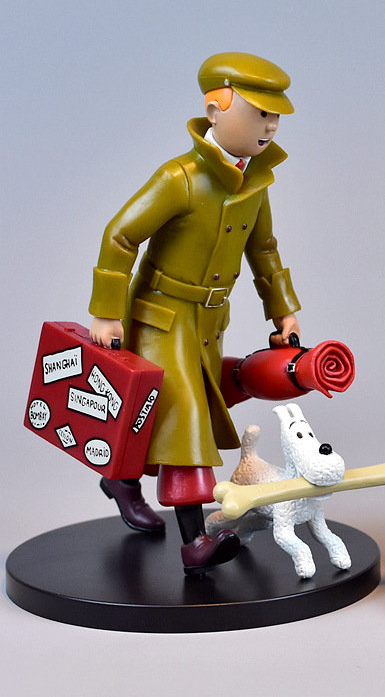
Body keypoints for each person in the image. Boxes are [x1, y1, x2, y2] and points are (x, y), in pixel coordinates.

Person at [90, 52, 302, 574]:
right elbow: (120, 235)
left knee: (165, 413)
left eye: (275, 117)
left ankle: (120, 478)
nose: (270, 126)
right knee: (186, 418)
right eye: (259, 114)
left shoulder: (254, 183)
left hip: (208, 321)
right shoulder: (179, 178)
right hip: (161, 317)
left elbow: (264, 250)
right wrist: (107, 312)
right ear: (214, 110)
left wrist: (283, 312)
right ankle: (196, 543)